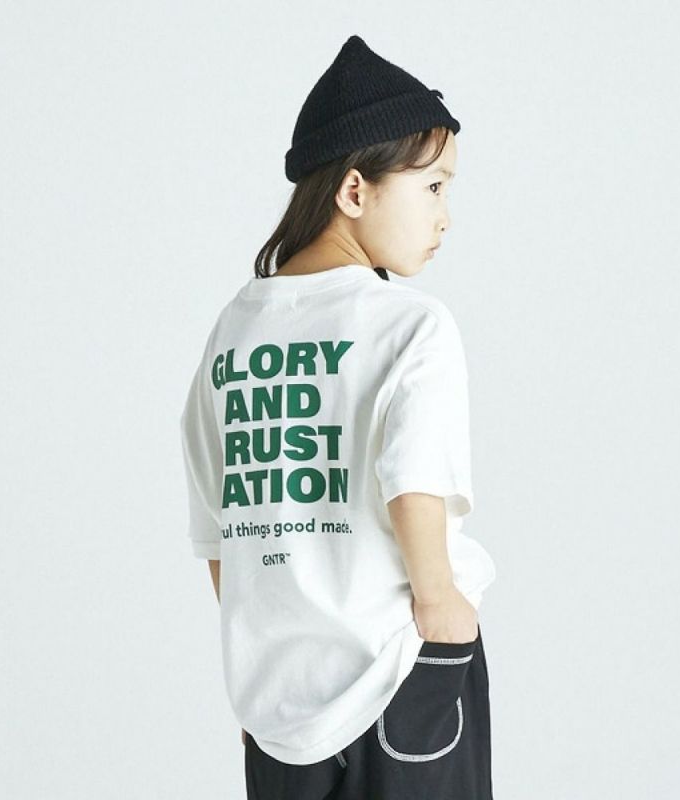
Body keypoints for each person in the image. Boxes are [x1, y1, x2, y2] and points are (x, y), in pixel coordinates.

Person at [179, 33, 497, 799]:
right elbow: (414, 482)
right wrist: (443, 615)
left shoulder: (232, 334)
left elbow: (221, 531)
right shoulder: (409, 325)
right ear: (355, 191)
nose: (446, 216)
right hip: (400, 670)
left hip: (280, 707)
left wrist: (269, 657)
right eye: (433, 187)